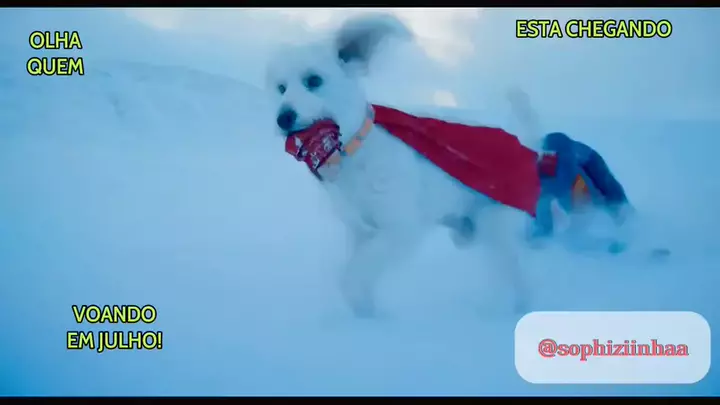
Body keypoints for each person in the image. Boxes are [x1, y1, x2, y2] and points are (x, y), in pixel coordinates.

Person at [532, 132, 634, 253]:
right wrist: (542, 231)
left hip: (588, 163)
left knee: (606, 195)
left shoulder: (568, 166)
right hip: (566, 168)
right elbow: (542, 198)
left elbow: (569, 191)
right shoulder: (539, 165)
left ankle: (627, 227)